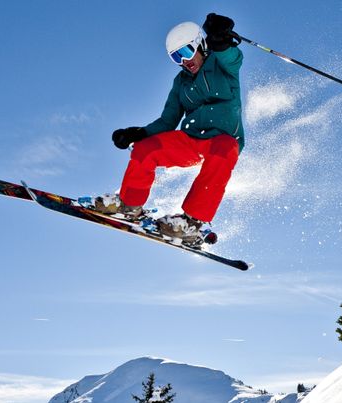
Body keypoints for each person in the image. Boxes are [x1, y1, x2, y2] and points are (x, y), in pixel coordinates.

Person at [89, 13, 244, 245]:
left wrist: (220, 41)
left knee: (225, 148)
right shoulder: (181, 82)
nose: (184, 61)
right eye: (176, 57)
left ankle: (192, 222)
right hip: (191, 140)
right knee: (145, 149)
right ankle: (129, 205)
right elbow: (167, 121)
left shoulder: (222, 63)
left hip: (221, 140)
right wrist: (138, 133)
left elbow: (233, 57)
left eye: (186, 52)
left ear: (201, 45)